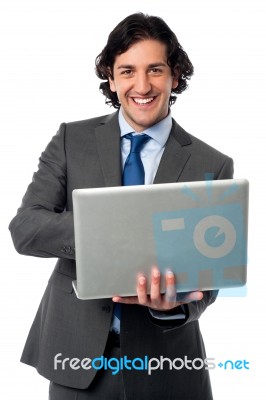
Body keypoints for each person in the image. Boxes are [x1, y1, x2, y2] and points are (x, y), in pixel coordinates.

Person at [9, 12, 233, 400]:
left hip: (169, 367)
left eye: (156, 70)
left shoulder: (211, 164)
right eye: (127, 71)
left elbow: (211, 274)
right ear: (111, 79)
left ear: (175, 76)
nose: (142, 85)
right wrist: (110, 234)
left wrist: (173, 305)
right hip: (76, 361)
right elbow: (26, 228)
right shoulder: (71, 140)